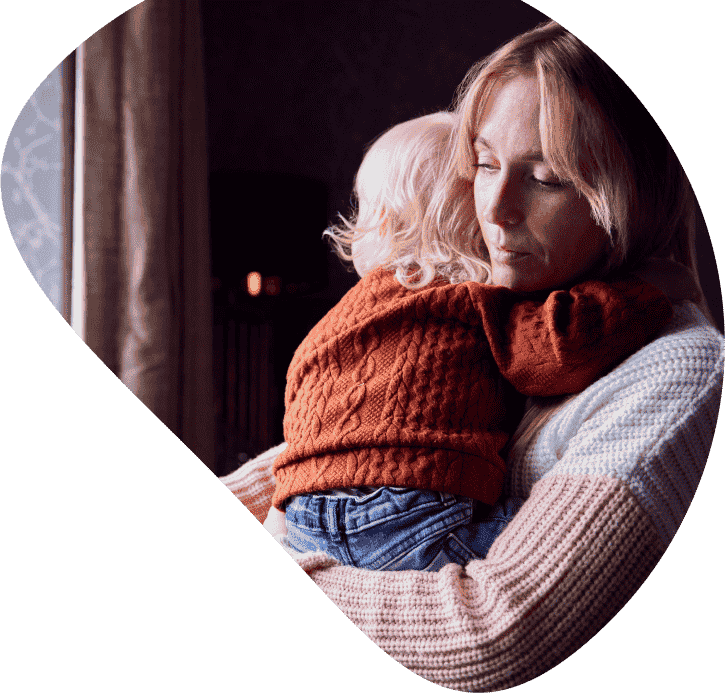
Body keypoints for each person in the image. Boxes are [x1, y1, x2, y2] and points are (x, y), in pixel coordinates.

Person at [220, 20, 724, 691]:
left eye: (544, 178)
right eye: (483, 165)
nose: (495, 208)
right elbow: (345, 444)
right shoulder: (492, 306)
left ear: (630, 198)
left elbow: (493, 635)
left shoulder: (680, 372)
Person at [266, 111, 671, 572]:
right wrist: (647, 289)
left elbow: (301, 410)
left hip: (305, 517)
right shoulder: (473, 299)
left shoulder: (336, 320)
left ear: (380, 222)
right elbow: (563, 345)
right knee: (574, 545)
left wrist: (285, 506)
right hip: (409, 518)